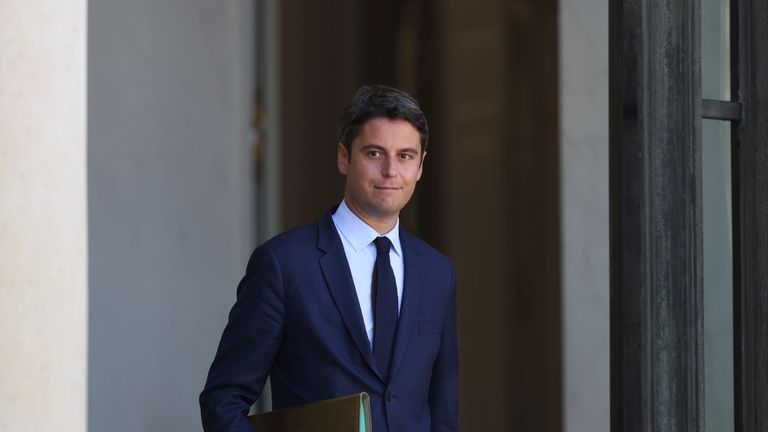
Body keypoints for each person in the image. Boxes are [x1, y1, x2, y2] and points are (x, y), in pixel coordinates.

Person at [200, 85, 458, 432]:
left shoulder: (437, 273)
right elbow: (223, 400)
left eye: (405, 156)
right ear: (343, 157)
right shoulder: (283, 265)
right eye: (374, 153)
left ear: (421, 166)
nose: (391, 172)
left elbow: (443, 413)